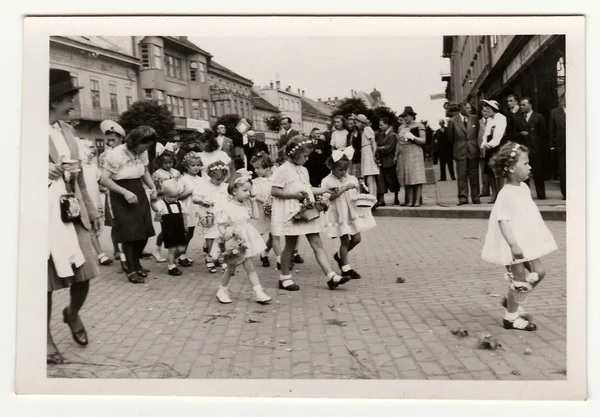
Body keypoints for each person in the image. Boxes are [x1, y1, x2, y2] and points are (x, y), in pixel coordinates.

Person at [48, 68, 102, 364]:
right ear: (52, 100)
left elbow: (79, 176)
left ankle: (72, 313)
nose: (73, 104)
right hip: (41, 217)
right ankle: (44, 339)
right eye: (69, 98)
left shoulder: (67, 131)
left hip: (72, 211)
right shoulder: (23, 129)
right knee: (43, 281)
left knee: (86, 273)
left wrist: (92, 210)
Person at [481, 142, 557, 331]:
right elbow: (503, 221)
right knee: (519, 277)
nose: (529, 167)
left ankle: (512, 300)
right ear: (512, 168)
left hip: (527, 240)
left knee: (539, 272)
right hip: (514, 244)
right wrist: (514, 245)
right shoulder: (506, 194)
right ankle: (510, 317)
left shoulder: (523, 188)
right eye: (525, 163)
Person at [271, 136, 350, 291]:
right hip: (293, 214)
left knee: (317, 244)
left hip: (307, 211)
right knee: (290, 246)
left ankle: (331, 276)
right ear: (294, 154)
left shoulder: (304, 170)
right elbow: (274, 191)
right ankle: (284, 278)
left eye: (308, 156)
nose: (307, 159)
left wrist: (325, 190)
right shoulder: (283, 170)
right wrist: (294, 196)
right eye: (305, 156)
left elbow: (308, 189)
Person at [100, 126, 158, 284]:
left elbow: (144, 171)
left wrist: (153, 187)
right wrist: (124, 192)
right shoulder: (117, 154)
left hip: (138, 191)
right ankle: (131, 269)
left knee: (144, 231)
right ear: (136, 141)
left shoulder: (142, 152)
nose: (147, 149)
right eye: (145, 145)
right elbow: (104, 179)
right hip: (121, 193)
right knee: (130, 234)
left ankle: (137, 263)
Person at [212, 173, 273, 304]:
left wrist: (254, 202)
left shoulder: (245, 204)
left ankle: (259, 292)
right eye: (244, 190)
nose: (247, 194)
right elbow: (221, 224)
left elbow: (256, 216)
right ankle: (222, 290)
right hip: (234, 240)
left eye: (249, 191)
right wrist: (225, 234)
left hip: (245, 239)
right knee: (231, 269)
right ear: (234, 190)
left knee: (249, 266)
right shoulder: (227, 207)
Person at [321, 148, 376, 279]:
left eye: (345, 170)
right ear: (332, 167)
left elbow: (356, 195)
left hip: (351, 213)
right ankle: (346, 268)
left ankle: (340, 256)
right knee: (345, 241)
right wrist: (343, 189)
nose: (343, 172)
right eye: (340, 170)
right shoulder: (327, 181)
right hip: (339, 214)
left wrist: (360, 188)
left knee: (357, 239)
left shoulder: (350, 178)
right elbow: (328, 197)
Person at [78, 139, 113, 266]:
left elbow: (101, 182)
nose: (93, 153)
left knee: (97, 228)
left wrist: (108, 189)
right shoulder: (79, 168)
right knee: (92, 229)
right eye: (90, 150)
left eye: (93, 151)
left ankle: (86, 252)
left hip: (96, 202)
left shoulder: (93, 167)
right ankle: (100, 254)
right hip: (86, 204)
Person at [192, 161, 230, 273]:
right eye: (218, 179)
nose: (220, 182)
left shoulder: (225, 187)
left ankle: (221, 257)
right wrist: (203, 201)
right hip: (209, 216)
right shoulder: (203, 185)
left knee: (222, 237)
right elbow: (195, 198)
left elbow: (230, 198)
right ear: (210, 175)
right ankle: (210, 257)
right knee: (210, 237)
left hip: (222, 216)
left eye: (222, 179)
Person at [98, 120, 126, 263]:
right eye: (108, 140)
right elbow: (103, 176)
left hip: (127, 189)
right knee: (116, 223)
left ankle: (130, 248)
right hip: (112, 191)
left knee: (129, 221)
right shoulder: (105, 155)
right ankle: (116, 249)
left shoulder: (127, 153)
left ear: (121, 138)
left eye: (113, 140)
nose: (110, 143)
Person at [511, 97, 548, 200]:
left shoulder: (538, 117)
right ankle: (525, 194)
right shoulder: (518, 119)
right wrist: (520, 134)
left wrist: (542, 150)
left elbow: (544, 135)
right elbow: (513, 134)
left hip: (536, 150)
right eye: (521, 105)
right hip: (524, 150)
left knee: (538, 173)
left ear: (530, 105)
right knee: (523, 173)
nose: (521, 107)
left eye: (524, 105)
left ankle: (541, 194)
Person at [250, 151, 282, 269]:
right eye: (255, 168)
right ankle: (277, 258)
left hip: (276, 211)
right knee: (273, 235)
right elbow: (254, 195)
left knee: (274, 235)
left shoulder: (276, 179)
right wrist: (265, 202)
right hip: (264, 211)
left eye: (258, 168)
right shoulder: (256, 182)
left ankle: (271, 257)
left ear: (268, 168)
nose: (256, 171)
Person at [150, 144, 181, 263]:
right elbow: (155, 191)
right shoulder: (157, 174)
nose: (168, 165)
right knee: (165, 228)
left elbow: (178, 186)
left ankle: (173, 253)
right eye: (165, 163)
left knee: (173, 228)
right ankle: (156, 249)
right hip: (162, 204)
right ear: (160, 162)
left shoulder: (176, 172)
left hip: (174, 203)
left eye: (170, 162)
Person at [150, 179, 187, 276]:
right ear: (165, 194)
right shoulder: (162, 204)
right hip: (169, 230)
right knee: (172, 249)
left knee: (182, 249)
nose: (174, 199)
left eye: (176, 196)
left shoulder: (180, 203)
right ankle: (171, 267)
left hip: (179, 229)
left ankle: (171, 259)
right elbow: (155, 208)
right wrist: (152, 200)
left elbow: (184, 215)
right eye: (171, 197)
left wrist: (185, 226)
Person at [447, 102, 481, 205]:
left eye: (470, 108)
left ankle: (476, 197)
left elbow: (477, 133)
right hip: (460, 151)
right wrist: (458, 146)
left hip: (473, 150)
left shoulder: (474, 118)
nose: (470, 110)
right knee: (462, 176)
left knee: (474, 175)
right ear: (461, 109)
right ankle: (463, 198)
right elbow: (450, 138)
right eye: (467, 108)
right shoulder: (452, 121)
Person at [176, 151, 204, 266]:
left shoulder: (201, 179)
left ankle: (183, 254)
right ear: (187, 166)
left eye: (198, 165)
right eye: (193, 165)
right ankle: (180, 255)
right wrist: (189, 192)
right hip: (188, 209)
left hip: (198, 209)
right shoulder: (183, 179)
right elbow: (178, 196)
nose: (196, 167)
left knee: (193, 233)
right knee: (187, 233)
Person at [396, 106, 427, 207]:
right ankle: (410, 201)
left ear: (413, 116)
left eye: (407, 116)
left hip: (415, 152)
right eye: (404, 116)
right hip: (404, 154)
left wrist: (413, 137)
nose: (405, 118)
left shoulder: (419, 126)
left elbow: (423, 141)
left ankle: (417, 201)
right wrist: (396, 155)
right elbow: (398, 143)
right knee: (407, 178)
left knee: (417, 177)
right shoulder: (401, 127)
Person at [480, 100, 508, 204]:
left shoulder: (501, 118)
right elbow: (485, 134)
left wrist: (490, 144)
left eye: (489, 108)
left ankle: (500, 195)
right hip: (489, 149)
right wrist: (484, 143)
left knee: (498, 172)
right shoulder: (489, 120)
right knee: (490, 172)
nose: (487, 110)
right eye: (486, 108)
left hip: (497, 148)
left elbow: (498, 135)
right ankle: (494, 194)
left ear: (494, 109)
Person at [375, 117, 400, 206]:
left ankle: (396, 198)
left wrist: (379, 148)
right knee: (381, 180)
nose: (380, 126)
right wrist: (381, 148)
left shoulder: (393, 135)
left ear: (387, 124)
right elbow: (380, 145)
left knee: (392, 180)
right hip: (381, 161)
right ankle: (382, 200)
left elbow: (388, 148)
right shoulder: (381, 135)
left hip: (389, 160)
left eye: (381, 125)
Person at [354, 114, 379, 199]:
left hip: (368, 153)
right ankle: (373, 198)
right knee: (368, 178)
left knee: (370, 178)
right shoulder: (363, 131)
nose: (356, 124)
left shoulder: (367, 129)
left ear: (362, 122)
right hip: (365, 153)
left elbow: (373, 142)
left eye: (357, 122)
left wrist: (374, 154)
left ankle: (372, 198)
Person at [549, 93, 566, 200]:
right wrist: (552, 145)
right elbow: (552, 130)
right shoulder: (555, 112)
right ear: (561, 100)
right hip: (561, 145)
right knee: (563, 170)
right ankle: (565, 193)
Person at [478, 106, 491, 197]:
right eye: (484, 111)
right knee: (483, 171)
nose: (486, 112)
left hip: (491, 149)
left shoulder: (493, 121)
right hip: (482, 150)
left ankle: (496, 190)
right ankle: (485, 190)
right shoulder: (478, 123)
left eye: (487, 111)